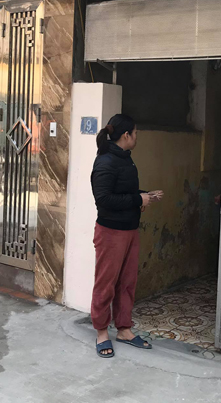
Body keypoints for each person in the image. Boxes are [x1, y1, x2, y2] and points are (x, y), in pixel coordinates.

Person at [90, 114, 163, 358]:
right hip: (111, 232)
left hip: (130, 229)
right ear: (126, 135)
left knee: (127, 282)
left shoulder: (125, 159)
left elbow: (124, 192)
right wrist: (136, 199)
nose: (136, 137)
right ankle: (102, 332)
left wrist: (144, 196)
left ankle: (124, 329)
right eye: (135, 133)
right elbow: (103, 199)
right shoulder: (105, 161)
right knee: (106, 283)